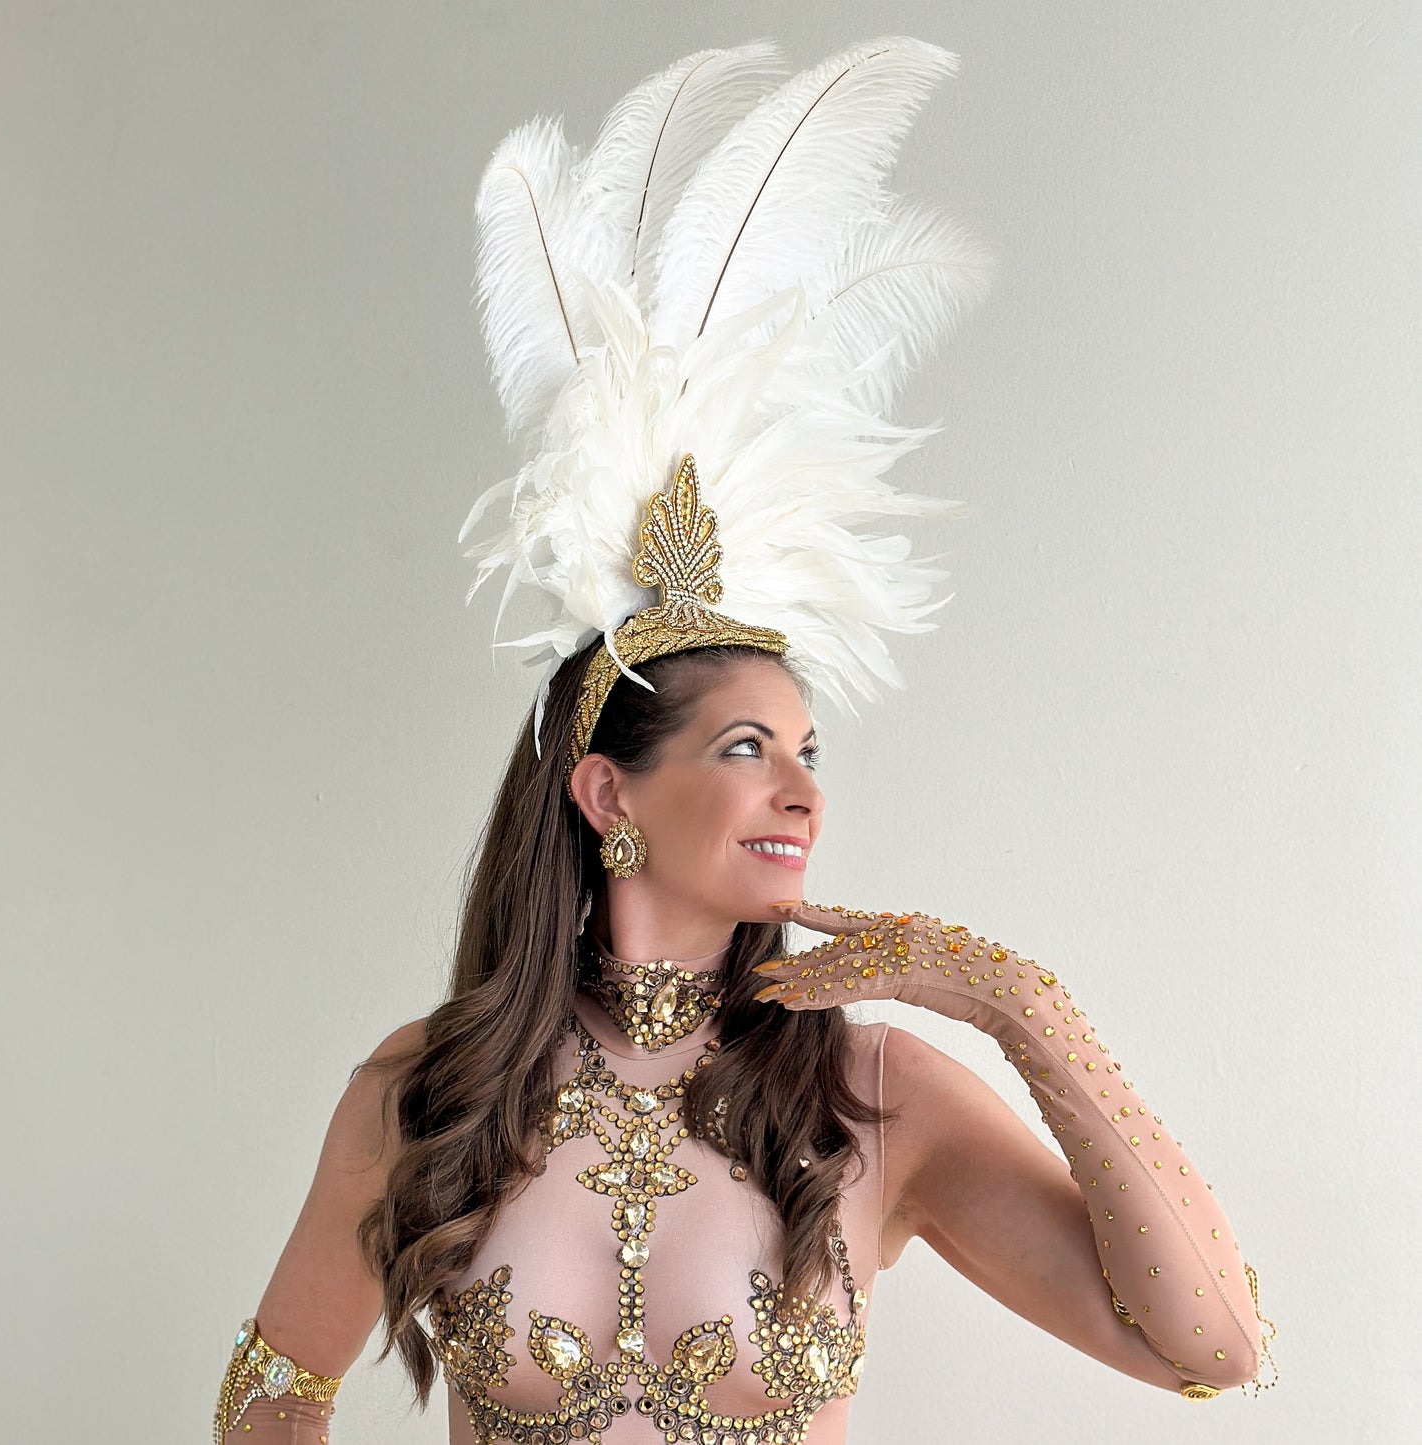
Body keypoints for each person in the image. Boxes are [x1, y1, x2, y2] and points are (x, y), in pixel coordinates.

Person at [214, 38, 1277, 1445]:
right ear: (608, 791)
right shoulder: (428, 1090)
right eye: (742, 749)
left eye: (810, 753)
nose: (798, 792)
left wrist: (1020, 1006)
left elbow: (1208, 1346)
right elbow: (277, 1385)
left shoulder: (873, 1096)